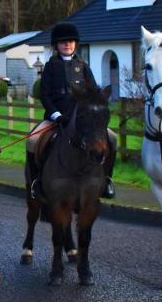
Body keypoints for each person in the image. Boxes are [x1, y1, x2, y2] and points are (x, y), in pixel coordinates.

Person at [28, 22, 116, 199]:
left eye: (70, 41)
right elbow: (45, 95)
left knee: (112, 138)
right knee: (33, 140)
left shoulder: (83, 65)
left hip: (83, 119)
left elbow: (94, 92)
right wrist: (56, 115)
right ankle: (36, 181)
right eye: (63, 42)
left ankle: (106, 180)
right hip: (56, 118)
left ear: (75, 43)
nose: (67, 44)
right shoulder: (50, 66)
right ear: (56, 45)